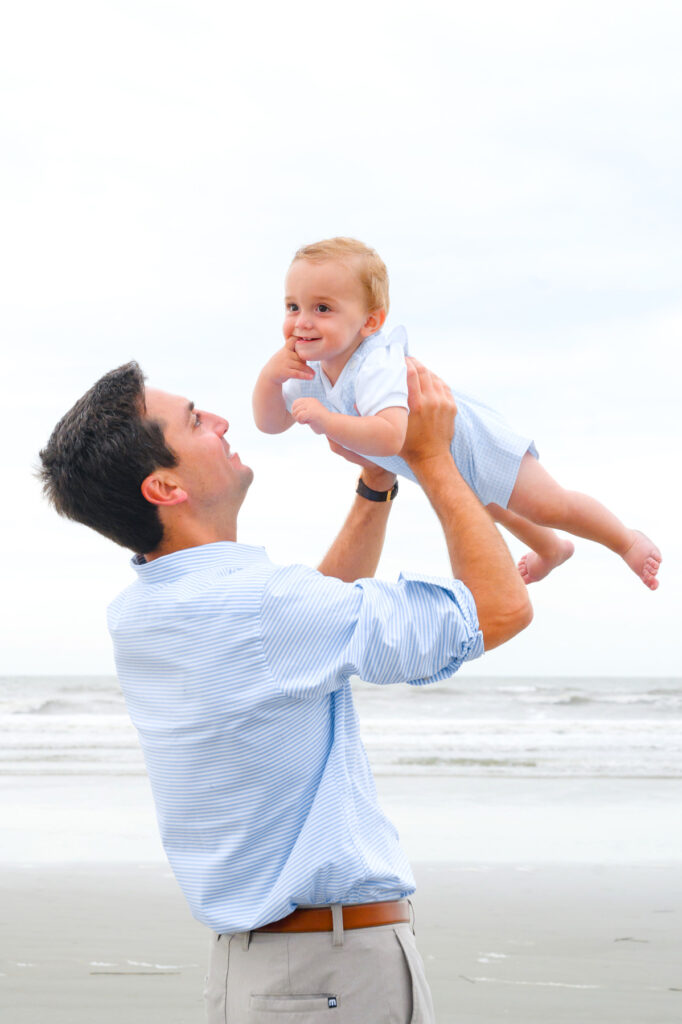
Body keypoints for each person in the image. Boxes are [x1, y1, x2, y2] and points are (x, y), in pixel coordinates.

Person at [38, 358, 531, 1023]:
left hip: (258, 973)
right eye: (194, 421)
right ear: (164, 486)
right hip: (331, 972)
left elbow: (297, 635)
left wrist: (375, 484)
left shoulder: (145, 612)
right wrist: (432, 457)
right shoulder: (262, 608)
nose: (220, 420)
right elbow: (499, 610)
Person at [253, 236, 662, 590]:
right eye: (292, 306)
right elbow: (271, 424)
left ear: (370, 321)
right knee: (489, 506)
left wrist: (329, 422)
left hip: (473, 442)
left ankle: (626, 540)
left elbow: (390, 435)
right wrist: (268, 380)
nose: (302, 322)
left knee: (547, 504)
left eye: (322, 308)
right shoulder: (306, 366)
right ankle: (551, 548)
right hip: (432, 463)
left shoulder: (375, 362)